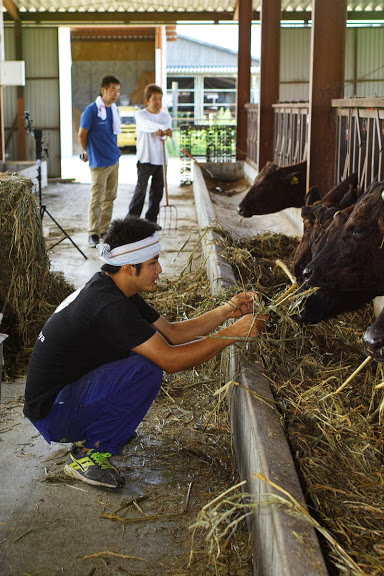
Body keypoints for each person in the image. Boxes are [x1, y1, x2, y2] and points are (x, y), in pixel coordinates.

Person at [24, 215, 268, 489]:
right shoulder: (110, 306)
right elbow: (170, 360)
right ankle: (88, 454)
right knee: (147, 369)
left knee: (143, 356)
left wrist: (228, 310)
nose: (160, 269)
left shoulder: (113, 286)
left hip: (64, 394)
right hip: (55, 413)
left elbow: (172, 334)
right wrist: (233, 333)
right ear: (129, 268)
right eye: (153, 263)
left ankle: (101, 427)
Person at [79, 74, 122, 247]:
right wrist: (85, 150)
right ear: (103, 90)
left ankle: (105, 230)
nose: (116, 94)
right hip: (98, 162)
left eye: (118, 90)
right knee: (97, 199)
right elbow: (82, 133)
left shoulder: (114, 109)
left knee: (110, 197)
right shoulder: (92, 110)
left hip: (114, 159)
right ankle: (93, 233)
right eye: (113, 90)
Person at [128, 84, 172, 225]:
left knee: (157, 191)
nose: (158, 102)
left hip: (161, 159)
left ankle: (151, 220)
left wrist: (164, 132)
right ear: (147, 100)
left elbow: (165, 135)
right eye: (154, 98)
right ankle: (131, 221)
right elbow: (146, 125)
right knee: (141, 190)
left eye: (160, 99)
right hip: (145, 158)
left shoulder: (166, 116)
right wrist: (161, 129)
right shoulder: (141, 115)